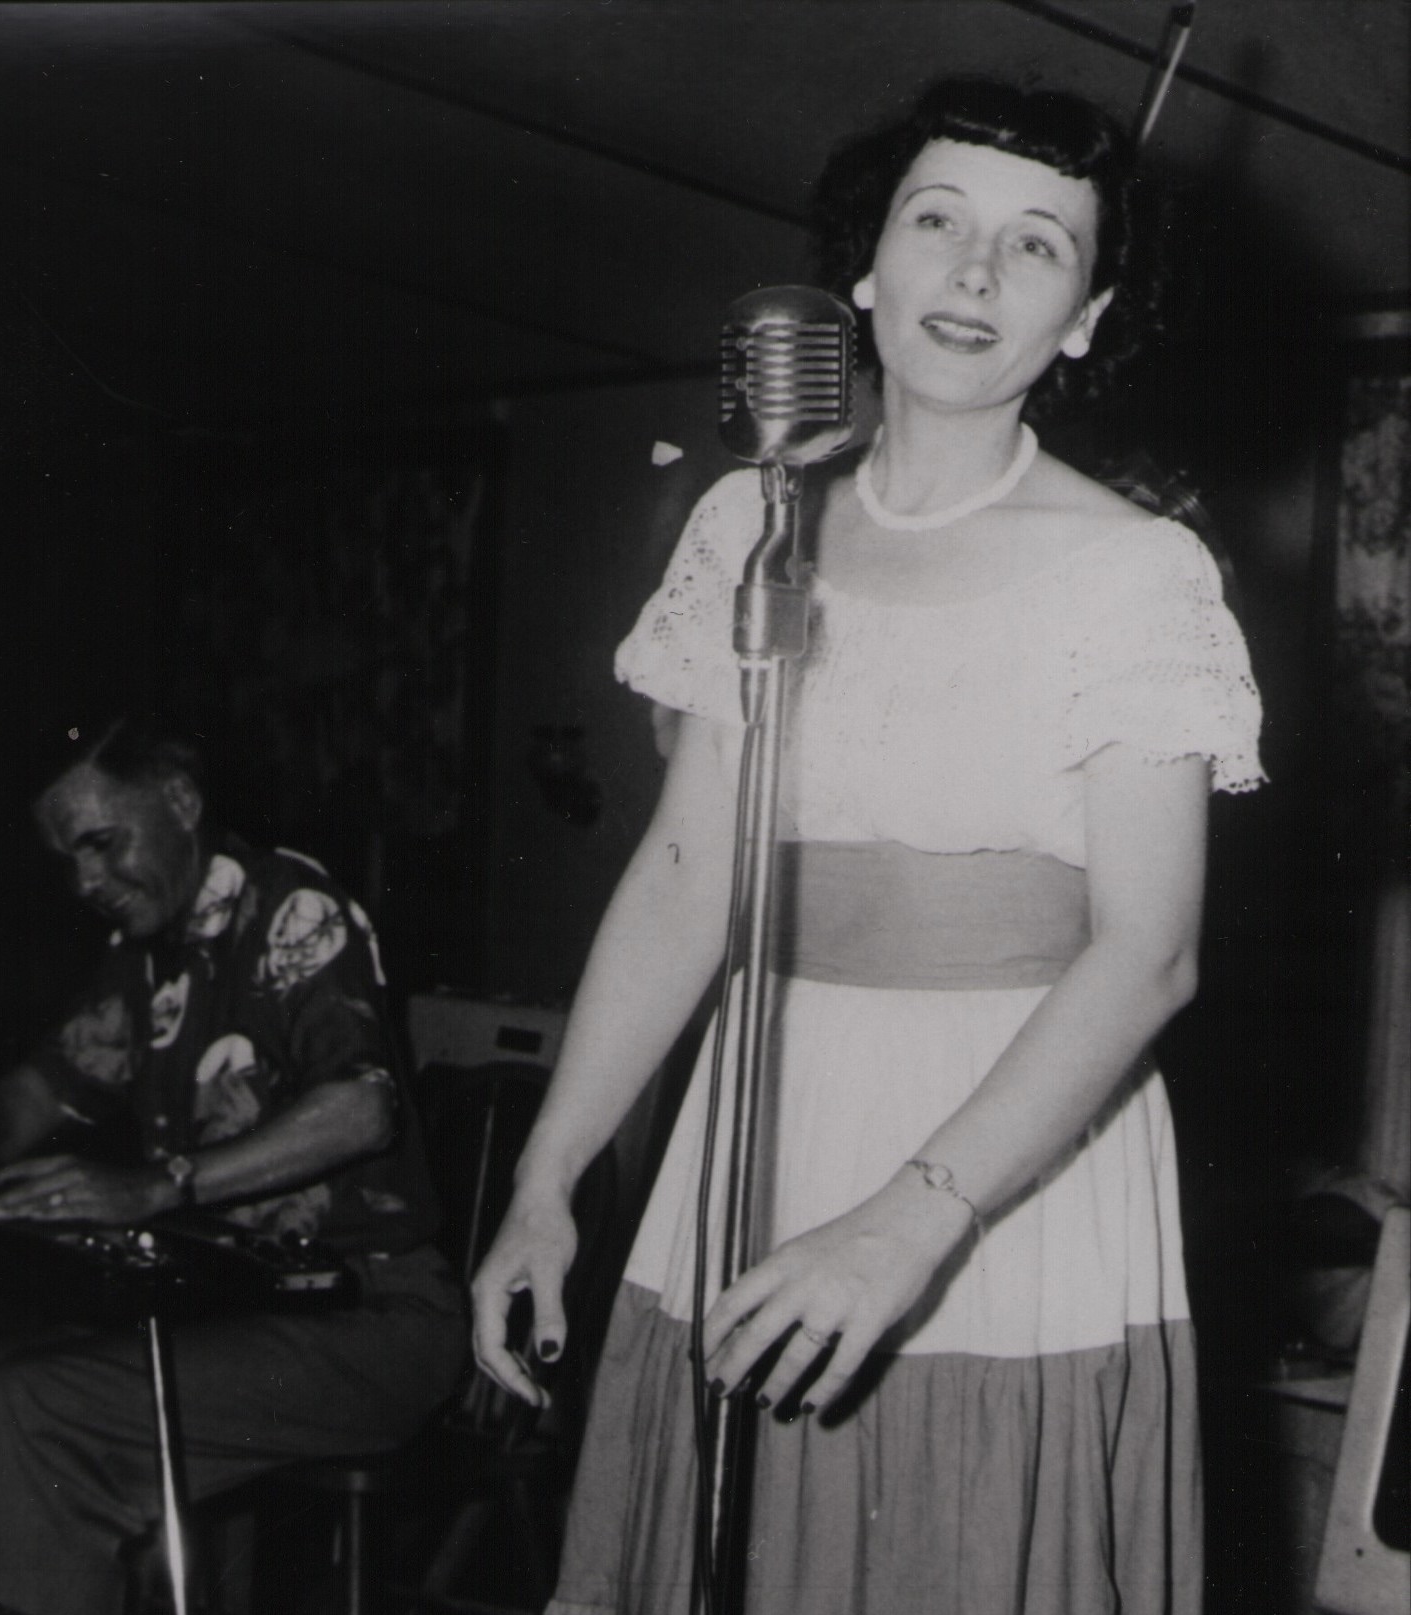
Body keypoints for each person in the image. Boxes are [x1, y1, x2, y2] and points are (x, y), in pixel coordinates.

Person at [472, 77, 1264, 1615]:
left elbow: (1148, 952)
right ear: (863, 269)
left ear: (1086, 318)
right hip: (762, 1114)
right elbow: (690, 877)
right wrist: (551, 1175)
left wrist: (916, 1219)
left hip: (1004, 1159)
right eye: (937, 220)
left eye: (1037, 246)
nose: (974, 272)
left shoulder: (1136, 573)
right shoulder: (747, 523)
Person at [0, 715, 469, 1615]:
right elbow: (50, 1088)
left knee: (38, 1411)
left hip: (374, 1316)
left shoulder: (291, 907)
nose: (85, 880)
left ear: (179, 800)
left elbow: (361, 1107)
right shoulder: (142, 956)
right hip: (225, 1313)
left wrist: (159, 1181)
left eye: (101, 843)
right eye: (67, 860)